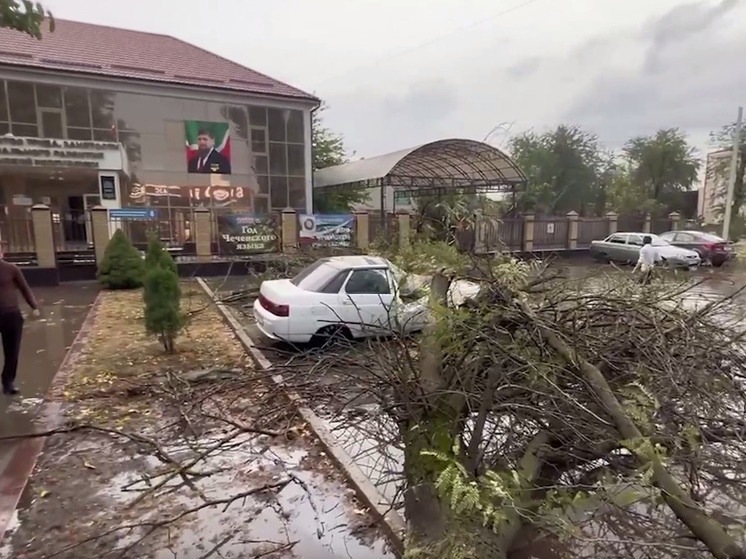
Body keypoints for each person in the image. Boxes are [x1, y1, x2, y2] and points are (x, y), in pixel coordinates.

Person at [0, 248, 39, 395]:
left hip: (11, 316)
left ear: (1, 253)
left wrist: (34, 306)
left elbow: (24, 288)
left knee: (12, 352)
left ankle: (8, 382)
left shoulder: (12, 269)